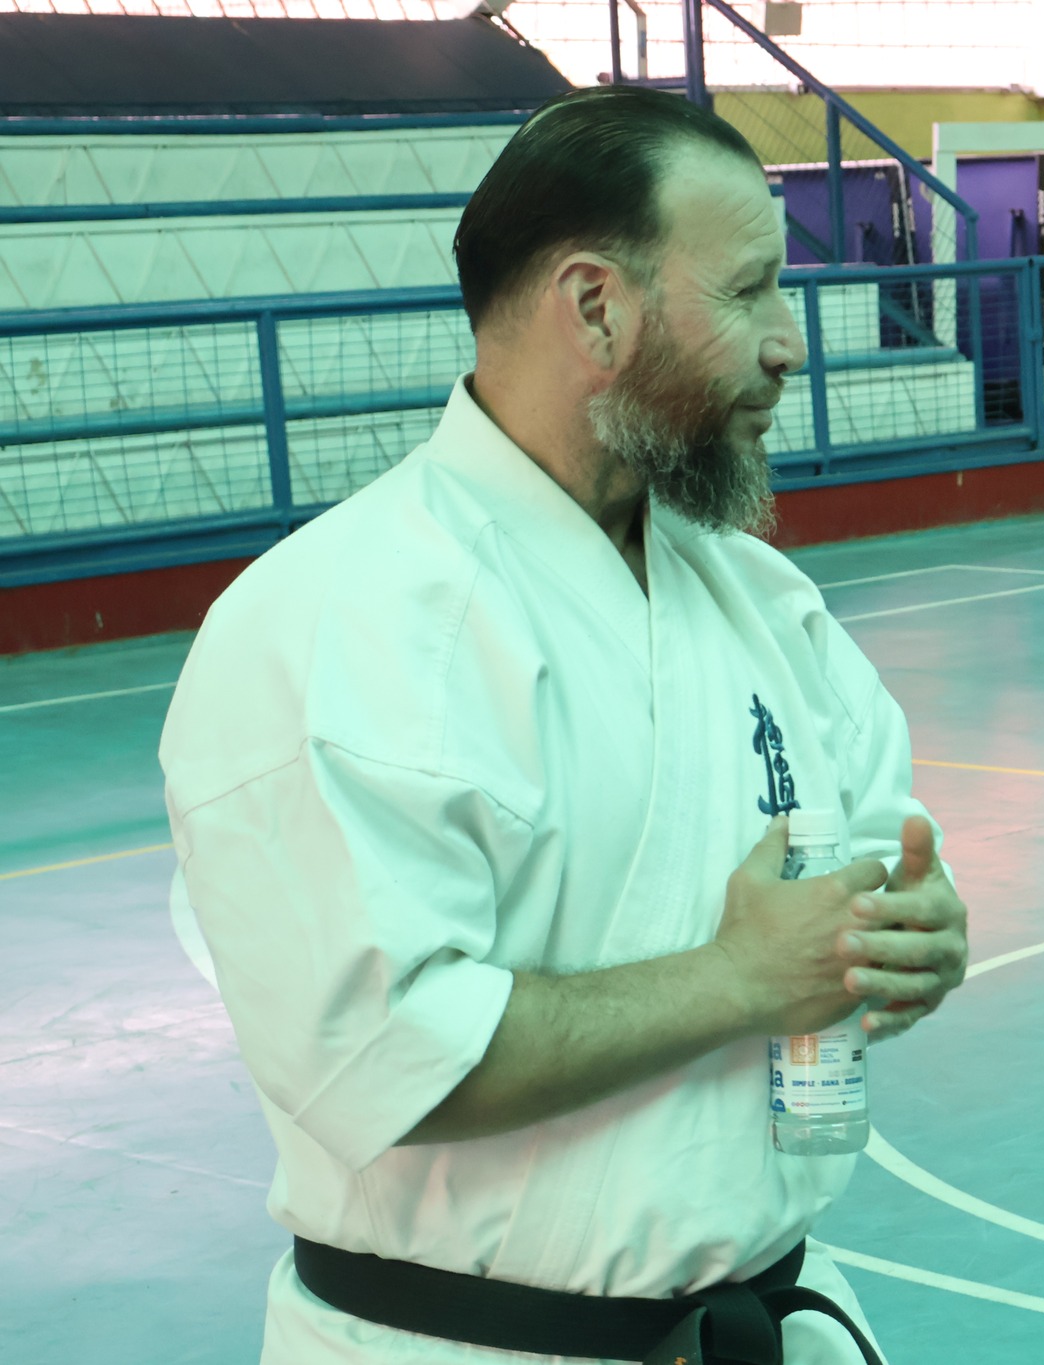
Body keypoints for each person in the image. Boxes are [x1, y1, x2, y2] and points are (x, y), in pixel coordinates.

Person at [159, 85, 968, 1365]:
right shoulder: (334, 622)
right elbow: (380, 1054)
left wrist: (905, 939)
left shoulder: (764, 601)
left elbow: (868, 871)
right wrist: (741, 978)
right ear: (596, 306)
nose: (787, 343)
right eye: (750, 291)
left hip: (759, 1320)